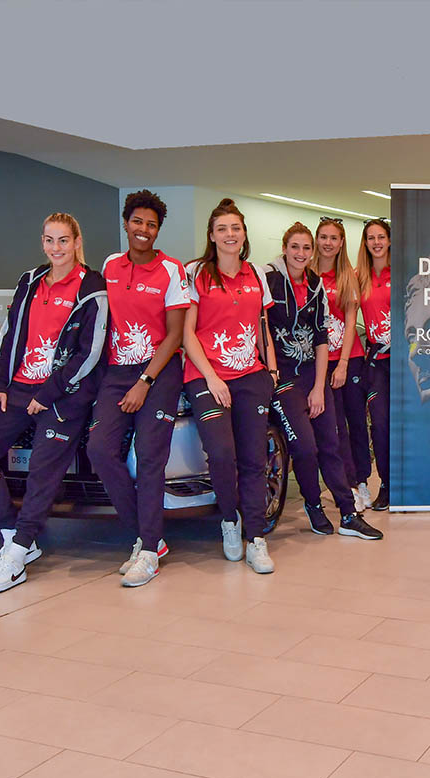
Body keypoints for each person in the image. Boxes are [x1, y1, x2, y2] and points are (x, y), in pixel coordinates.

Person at [0, 212, 107, 595]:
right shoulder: (30, 280)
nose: (55, 248)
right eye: (48, 240)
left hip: (64, 393)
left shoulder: (92, 286)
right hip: (19, 389)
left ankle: (17, 553)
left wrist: (48, 394)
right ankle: (12, 533)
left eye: (63, 240)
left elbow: (89, 353)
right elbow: (9, 337)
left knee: (43, 468)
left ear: (77, 242)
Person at [87, 190, 189, 588]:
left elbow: (175, 334)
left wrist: (145, 382)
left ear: (157, 229)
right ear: (126, 224)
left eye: (151, 224)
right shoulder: (110, 265)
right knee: (99, 450)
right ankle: (149, 535)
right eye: (137, 222)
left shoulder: (171, 270)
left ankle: (147, 550)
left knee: (149, 458)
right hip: (116, 372)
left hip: (159, 373)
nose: (143, 230)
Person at [264, 223, 383, 540]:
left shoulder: (315, 284)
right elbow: (260, 326)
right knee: (305, 447)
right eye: (296, 247)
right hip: (284, 379)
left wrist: (320, 386)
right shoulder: (269, 280)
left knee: (331, 444)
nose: (301, 254)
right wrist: (272, 371)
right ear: (285, 248)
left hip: (314, 375)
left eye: (306, 248)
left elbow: (321, 338)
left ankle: (348, 513)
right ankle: (313, 505)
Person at [182, 199, 278, 574]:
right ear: (211, 235)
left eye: (235, 228)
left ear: (244, 234)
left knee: (254, 457)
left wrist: (270, 370)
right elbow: (187, 332)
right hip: (206, 375)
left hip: (251, 375)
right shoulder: (196, 273)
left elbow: (262, 326)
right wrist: (211, 376)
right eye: (222, 229)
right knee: (222, 453)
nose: (229, 235)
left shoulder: (256, 274)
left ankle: (256, 537)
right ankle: (229, 521)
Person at [312, 216, 371, 512]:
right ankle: (346, 484)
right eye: (323, 237)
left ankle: (361, 481)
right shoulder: (306, 275)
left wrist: (344, 364)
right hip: (320, 365)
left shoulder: (347, 276)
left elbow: (350, 325)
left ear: (341, 242)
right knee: (336, 429)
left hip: (349, 360)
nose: (328, 243)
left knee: (357, 424)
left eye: (333, 238)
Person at [356, 217, 391, 511]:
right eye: (371, 238)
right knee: (379, 425)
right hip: (376, 361)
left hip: (408, 359)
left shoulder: (403, 272)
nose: (376, 243)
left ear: (390, 240)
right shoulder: (358, 276)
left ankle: (415, 481)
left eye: (381, 237)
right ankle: (387, 485)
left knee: (410, 423)